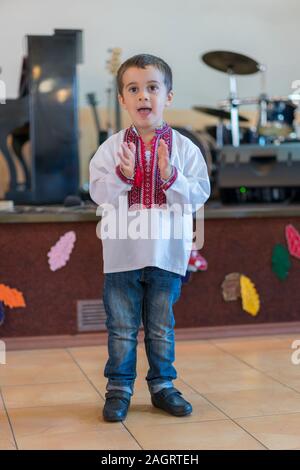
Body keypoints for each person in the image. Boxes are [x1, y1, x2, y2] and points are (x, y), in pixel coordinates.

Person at [89, 53, 210, 422]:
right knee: (122, 329)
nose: (144, 96)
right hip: (122, 256)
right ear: (122, 99)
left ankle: (162, 387)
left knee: (160, 328)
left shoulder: (185, 149)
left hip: (166, 255)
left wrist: (171, 175)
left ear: (168, 96)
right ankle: (119, 390)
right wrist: (123, 176)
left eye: (152, 88)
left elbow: (199, 193)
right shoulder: (111, 149)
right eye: (134, 89)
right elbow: (98, 193)